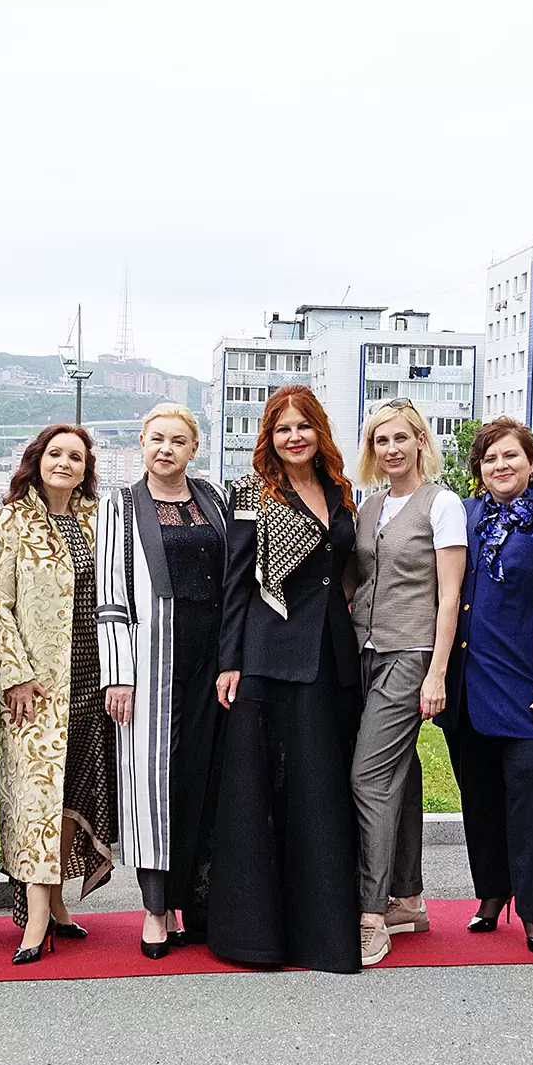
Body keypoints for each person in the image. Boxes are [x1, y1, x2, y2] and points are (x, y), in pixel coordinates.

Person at [211, 384, 362, 974]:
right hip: (267, 659)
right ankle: (256, 936)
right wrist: (230, 661)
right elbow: (236, 583)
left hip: (331, 657)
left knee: (320, 791)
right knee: (260, 794)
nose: (294, 437)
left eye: (303, 426)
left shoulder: (340, 491)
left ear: (319, 432)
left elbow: (341, 572)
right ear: (269, 438)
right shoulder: (251, 493)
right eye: (282, 428)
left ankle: (322, 935)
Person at [442, 418, 533, 956]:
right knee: (479, 797)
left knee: (532, 801)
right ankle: (491, 893)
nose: (500, 466)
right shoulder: (463, 515)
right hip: (469, 686)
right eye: (489, 459)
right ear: (479, 469)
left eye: (510, 456)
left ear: (531, 463)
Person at [98, 404, 228, 959]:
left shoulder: (214, 498)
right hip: (151, 664)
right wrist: (118, 676)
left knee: (203, 778)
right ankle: (155, 910)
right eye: (156, 439)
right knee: (152, 785)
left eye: (177, 440)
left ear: (194, 448)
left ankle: (196, 906)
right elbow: (110, 597)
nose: (166, 449)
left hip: (212, 661)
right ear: (142, 443)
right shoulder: (121, 505)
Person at [0, 423, 114, 965]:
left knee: (69, 799)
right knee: (36, 800)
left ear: (86, 469)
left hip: (91, 681)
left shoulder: (98, 519)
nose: (65, 463)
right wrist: (14, 674)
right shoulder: (10, 521)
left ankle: (57, 900)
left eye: (75, 457)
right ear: (37, 460)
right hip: (35, 687)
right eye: (55, 454)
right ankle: (36, 916)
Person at [346, 399, 466, 966]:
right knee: (401, 772)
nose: (390, 449)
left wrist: (436, 672)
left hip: (411, 653)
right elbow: (353, 583)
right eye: (380, 440)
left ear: (421, 441)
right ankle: (407, 898)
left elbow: (450, 596)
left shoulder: (442, 504)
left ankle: (371, 914)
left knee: (368, 776)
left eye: (400, 438)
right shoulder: (369, 506)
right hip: (364, 652)